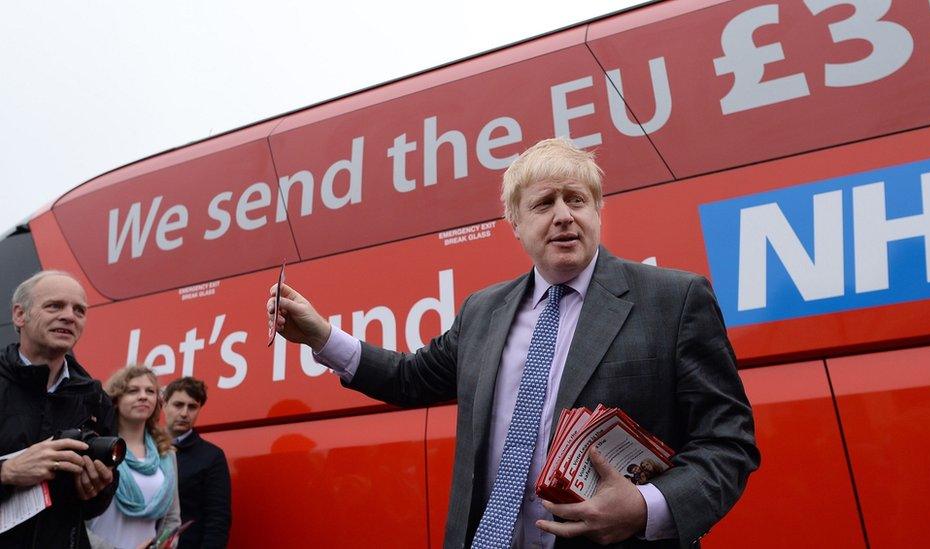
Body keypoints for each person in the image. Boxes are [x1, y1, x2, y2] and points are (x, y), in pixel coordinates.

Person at [269, 138, 759, 548]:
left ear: (597, 211)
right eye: (544, 203)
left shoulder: (674, 300)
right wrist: (321, 336)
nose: (564, 215)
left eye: (577, 199)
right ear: (515, 224)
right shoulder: (484, 311)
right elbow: (409, 378)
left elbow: (728, 442)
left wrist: (647, 507)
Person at [0, 270, 118, 548]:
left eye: (79, 310)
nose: (69, 316)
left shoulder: (96, 398)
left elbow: (96, 505)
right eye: (54, 306)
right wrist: (7, 473)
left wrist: (97, 488)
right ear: (20, 315)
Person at [88, 366, 181, 549]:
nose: (143, 396)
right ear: (115, 400)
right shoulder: (97, 448)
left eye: (150, 391)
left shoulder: (166, 453)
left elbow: (172, 519)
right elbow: (75, 518)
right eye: (132, 391)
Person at [163, 377, 231, 548]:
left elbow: (217, 520)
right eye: (178, 405)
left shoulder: (211, 456)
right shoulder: (145, 448)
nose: (185, 413)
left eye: (192, 406)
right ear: (164, 405)